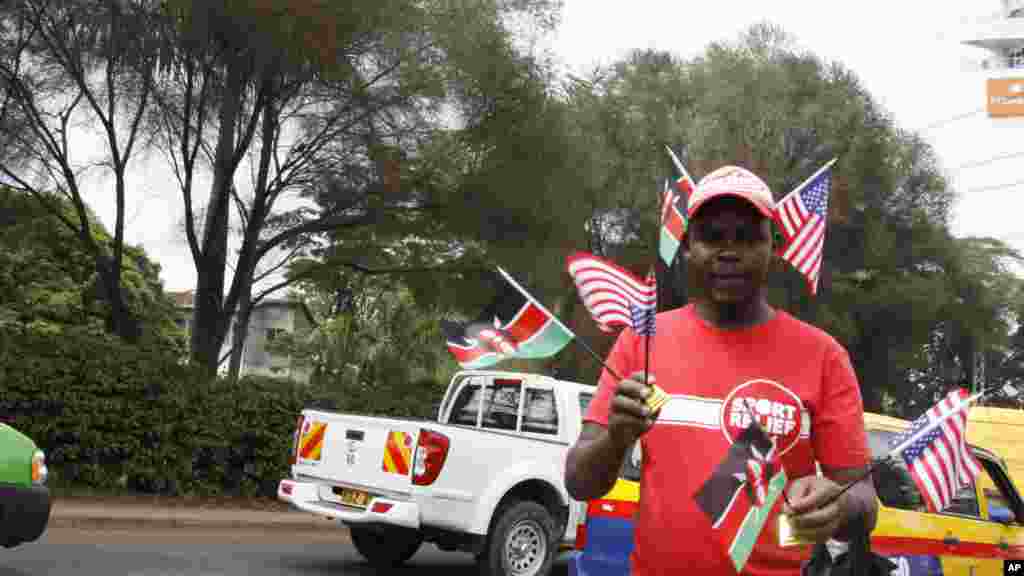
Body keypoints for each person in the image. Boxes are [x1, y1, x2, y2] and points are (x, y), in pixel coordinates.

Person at [564, 165, 878, 575]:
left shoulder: (824, 356)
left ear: (774, 246)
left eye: (747, 236)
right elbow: (579, 482)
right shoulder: (642, 342)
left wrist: (839, 504)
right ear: (688, 247)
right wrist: (617, 439)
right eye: (712, 236)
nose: (729, 250)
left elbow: (865, 501)